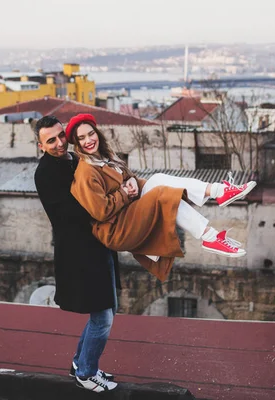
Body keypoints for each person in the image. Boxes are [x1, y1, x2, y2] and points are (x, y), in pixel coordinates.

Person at [66, 113, 256, 282]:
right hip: (116, 229)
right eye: (81, 138)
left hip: (127, 214)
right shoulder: (86, 172)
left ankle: (219, 193)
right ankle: (211, 234)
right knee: (162, 195)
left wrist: (132, 181)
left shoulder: (106, 156)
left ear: (97, 133)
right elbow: (100, 211)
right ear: (77, 144)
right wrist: (124, 193)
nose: (88, 140)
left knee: (157, 180)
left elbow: (125, 180)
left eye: (91, 134)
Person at [33, 115, 118, 392]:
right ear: (40, 145)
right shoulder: (45, 173)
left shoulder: (75, 159)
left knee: (105, 311)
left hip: (99, 245)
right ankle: (86, 372)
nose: (59, 143)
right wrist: (112, 201)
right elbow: (75, 213)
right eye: (51, 140)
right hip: (79, 254)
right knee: (102, 316)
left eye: (61, 136)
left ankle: (81, 362)